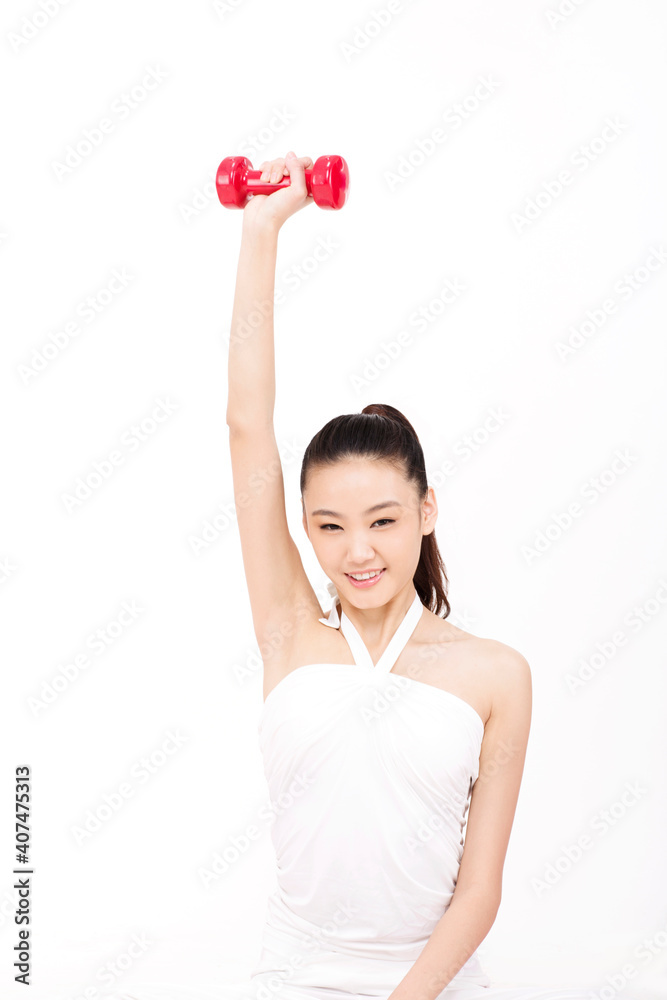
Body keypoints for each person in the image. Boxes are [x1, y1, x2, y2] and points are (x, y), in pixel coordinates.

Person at [100, 153, 642, 1000]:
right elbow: (247, 424)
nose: (359, 552)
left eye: (383, 521)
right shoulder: (289, 629)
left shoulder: (496, 674)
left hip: (431, 984)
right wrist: (261, 227)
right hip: (293, 976)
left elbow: (479, 891)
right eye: (329, 527)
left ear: (426, 511)